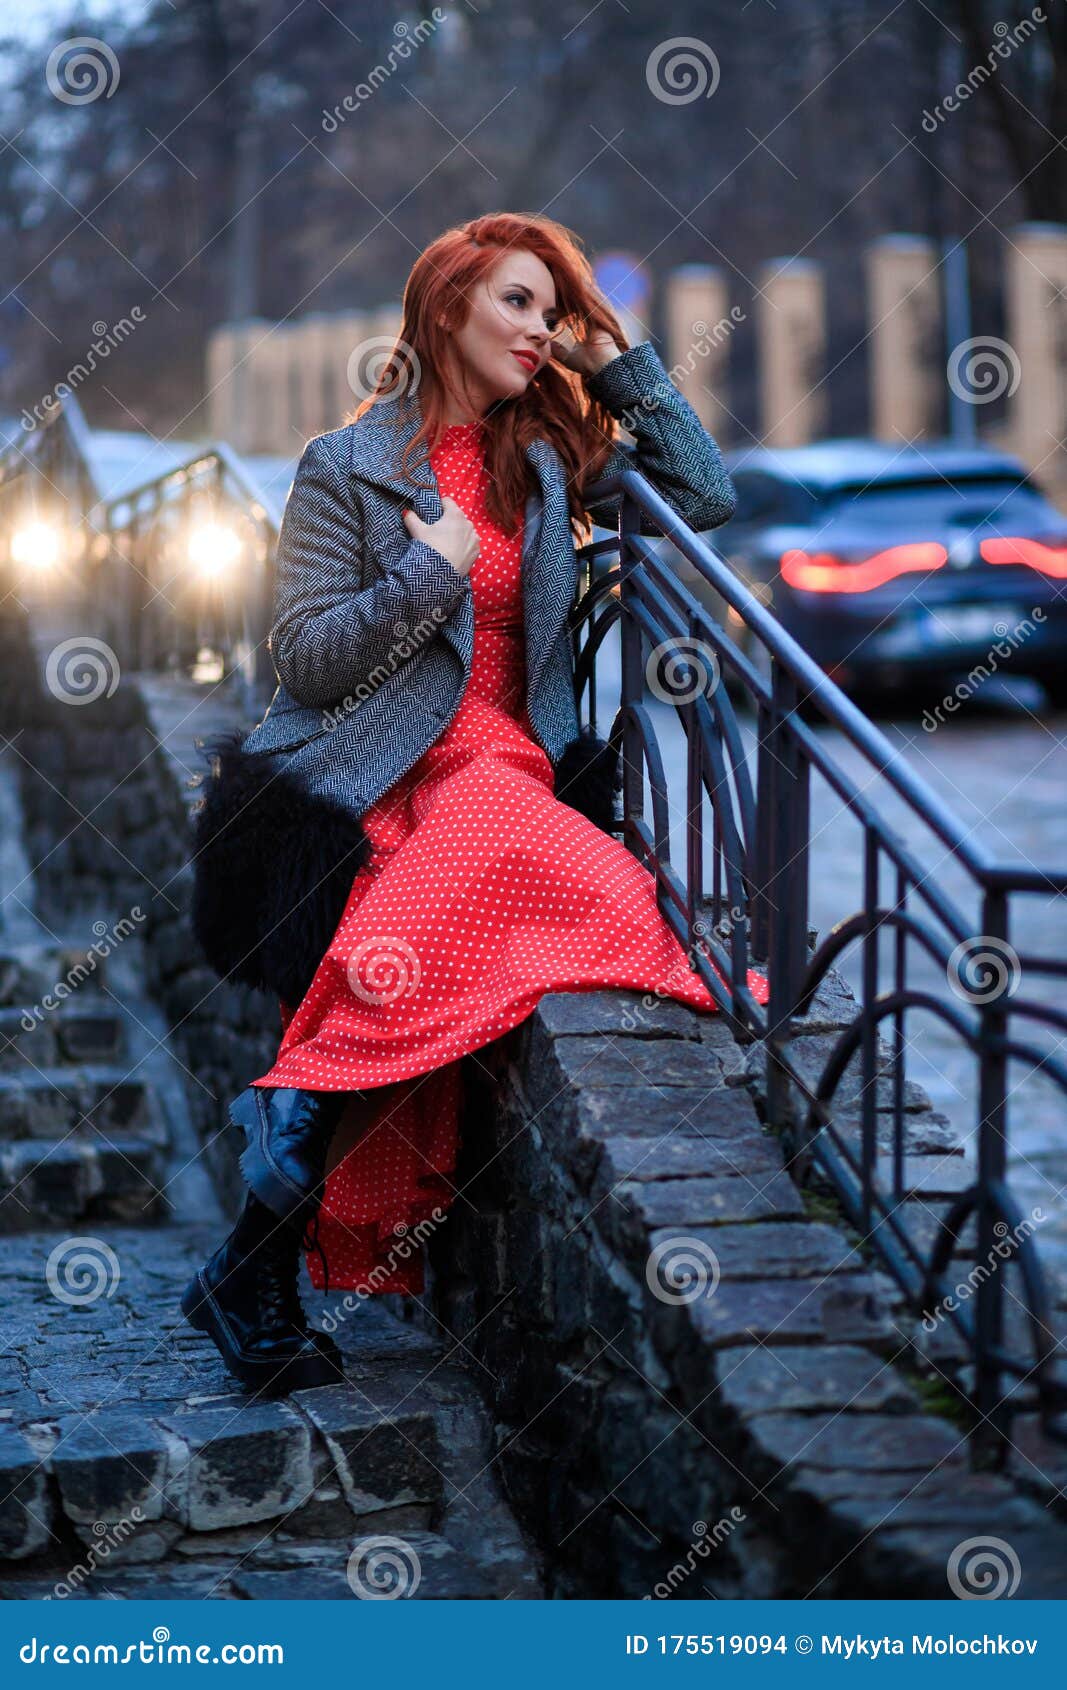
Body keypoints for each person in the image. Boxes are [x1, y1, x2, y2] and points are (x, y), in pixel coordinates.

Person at [184, 210, 762, 1394]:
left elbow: (703, 495)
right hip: (375, 771)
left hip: (499, 767)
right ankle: (255, 1257)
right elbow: (302, 663)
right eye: (517, 302)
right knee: (477, 908)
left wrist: (617, 363)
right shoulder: (342, 468)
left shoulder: (545, 459)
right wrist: (426, 572)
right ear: (446, 303)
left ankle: (254, 1242)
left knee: (472, 927)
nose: (539, 329)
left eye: (553, 311)